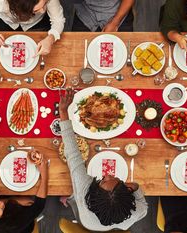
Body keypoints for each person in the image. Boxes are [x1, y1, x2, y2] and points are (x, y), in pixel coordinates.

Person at [58, 88, 148, 231]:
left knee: (74, 195)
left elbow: (73, 155)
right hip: (112, 224)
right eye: (114, 179)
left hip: (86, 222)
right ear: (127, 193)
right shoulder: (137, 211)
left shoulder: (84, 191)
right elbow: (144, 209)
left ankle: (68, 199)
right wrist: (135, 187)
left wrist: (62, 112)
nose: (106, 174)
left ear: (94, 194)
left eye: (103, 181)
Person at [0, 0, 65, 56]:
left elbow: (58, 21)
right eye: (36, 9)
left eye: (45, 4)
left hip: (37, 24)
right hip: (5, 24)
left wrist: (51, 38)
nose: (44, 11)